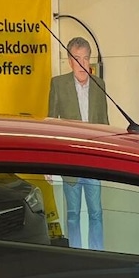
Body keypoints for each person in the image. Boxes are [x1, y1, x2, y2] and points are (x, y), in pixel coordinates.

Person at [47, 37, 108, 249]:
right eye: (77, 58)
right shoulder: (58, 84)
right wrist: (50, 163)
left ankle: (97, 254)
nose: (82, 64)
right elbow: (51, 127)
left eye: (85, 58)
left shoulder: (99, 85)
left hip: (94, 162)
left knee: (96, 213)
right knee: (72, 214)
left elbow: (105, 125)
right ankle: (75, 253)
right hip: (70, 161)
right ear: (70, 61)